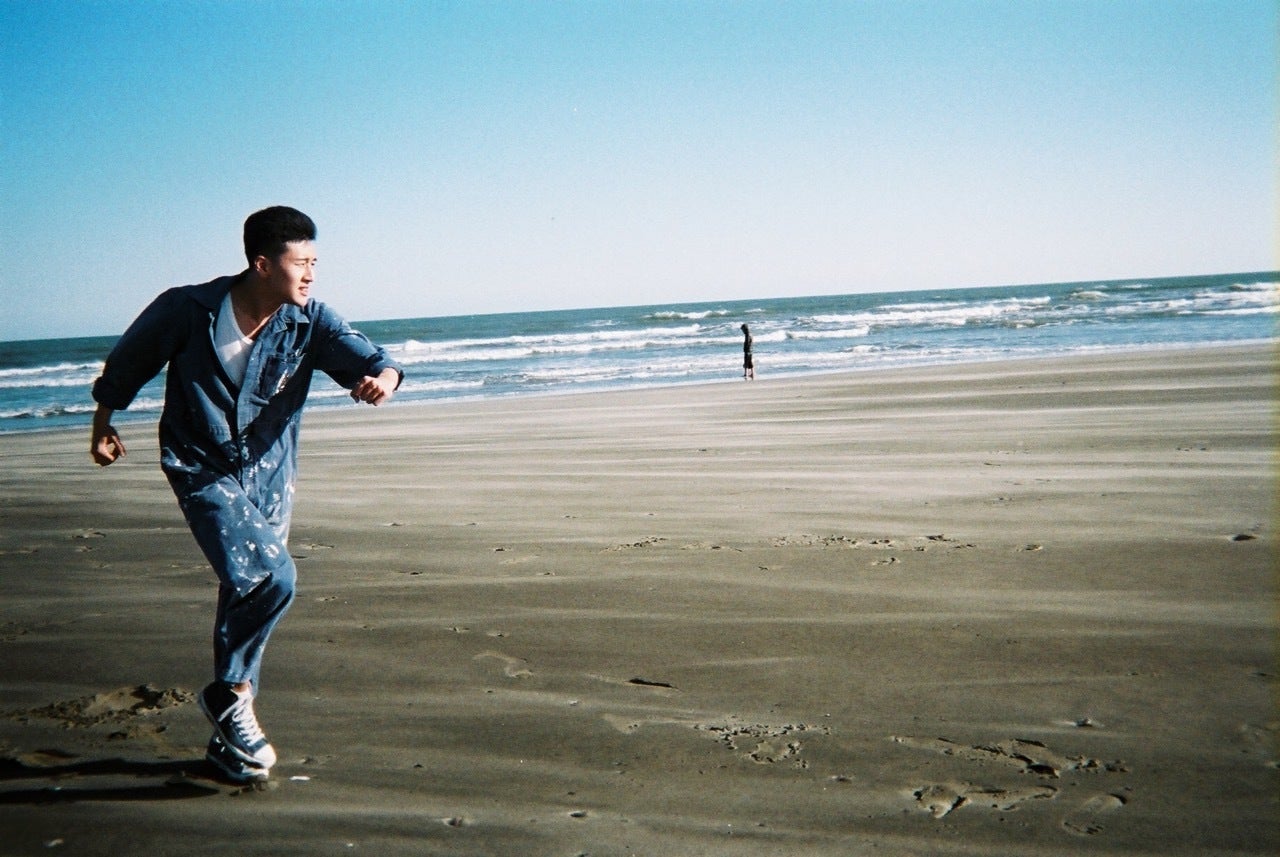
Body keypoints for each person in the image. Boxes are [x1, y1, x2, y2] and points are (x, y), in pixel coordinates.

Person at [90, 206, 404, 783]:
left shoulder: (310, 321)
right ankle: (231, 694)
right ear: (262, 264)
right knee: (272, 578)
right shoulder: (188, 309)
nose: (310, 274)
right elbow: (130, 361)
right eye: (300, 262)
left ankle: (227, 741)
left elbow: (374, 359)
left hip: (271, 474)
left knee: (245, 586)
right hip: (200, 465)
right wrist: (103, 422)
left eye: (315, 262)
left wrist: (382, 381)